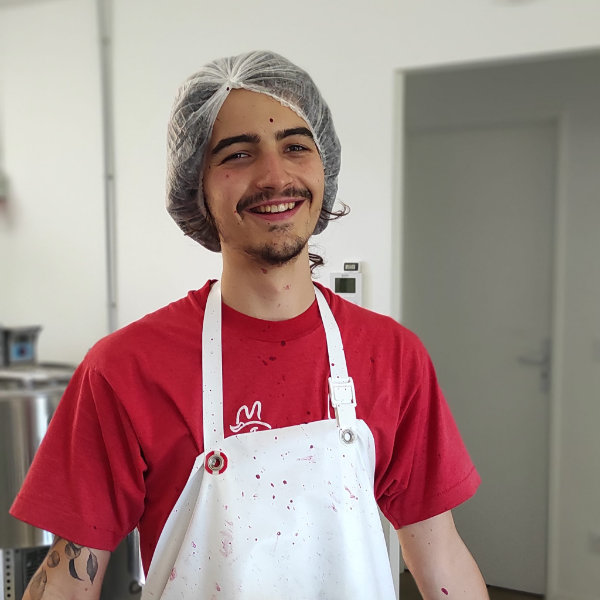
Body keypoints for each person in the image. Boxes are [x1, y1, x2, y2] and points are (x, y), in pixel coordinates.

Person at [11, 50, 488, 599]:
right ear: (198, 185)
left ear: (324, 166)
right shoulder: (125, 369)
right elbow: (68, 579)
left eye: (295, 146)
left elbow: (440, 553)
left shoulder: (393, 355)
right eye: (238, 154)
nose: (275, 176)